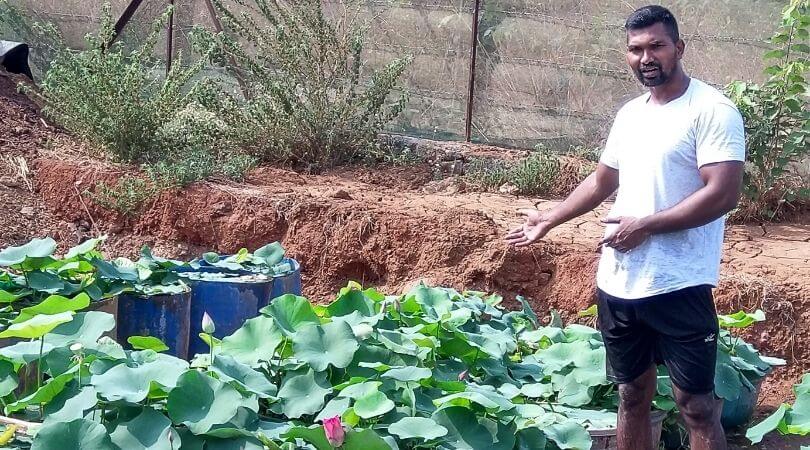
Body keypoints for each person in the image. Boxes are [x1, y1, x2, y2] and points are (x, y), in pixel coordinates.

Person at [505, 5, 745, 450]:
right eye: (636, 49)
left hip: (679, 282)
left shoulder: (712, 109)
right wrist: (550, 218)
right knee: (631, 394)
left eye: (656, 45)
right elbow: (602, 181)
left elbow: (723, 193)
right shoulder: (631, 113)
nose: (646, 57)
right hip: (620, 282)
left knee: (695, 403)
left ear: (679, 48)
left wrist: (647, 226)